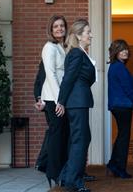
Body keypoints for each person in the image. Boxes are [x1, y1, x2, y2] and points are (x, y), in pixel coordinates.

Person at [56, 19, 96, 192]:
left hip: (79, 101)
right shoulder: (77, 54)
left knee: (80, 139)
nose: (91, 35)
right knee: (80, 140)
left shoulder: (80, 52)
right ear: (79, 36)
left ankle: (67, 176)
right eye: (88, 32)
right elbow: (68, 79)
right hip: (76, 102)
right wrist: (61, 101)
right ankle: (74, 181)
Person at [38, 15, 69, 187]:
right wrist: (60, 101)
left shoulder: (62, 47)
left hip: (61, 98)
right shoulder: (49, 47)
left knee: (63, 136)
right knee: (57, 138)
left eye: (62, 26)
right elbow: (50, 74)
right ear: (51, 29)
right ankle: (53, 173)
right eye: (55, 26)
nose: (59, 29)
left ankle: (60, 171)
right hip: (53, 99)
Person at [107, 39, 133, 179]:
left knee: (121, 136)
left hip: (117, 105)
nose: (125, 51)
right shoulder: (119, 67)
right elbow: (128, 88)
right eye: (121, 49)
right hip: (122, 105)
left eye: (126, 49)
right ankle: (119, 168)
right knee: (124, 138)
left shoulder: (114, 66)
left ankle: (114, 164)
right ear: (115, 52)